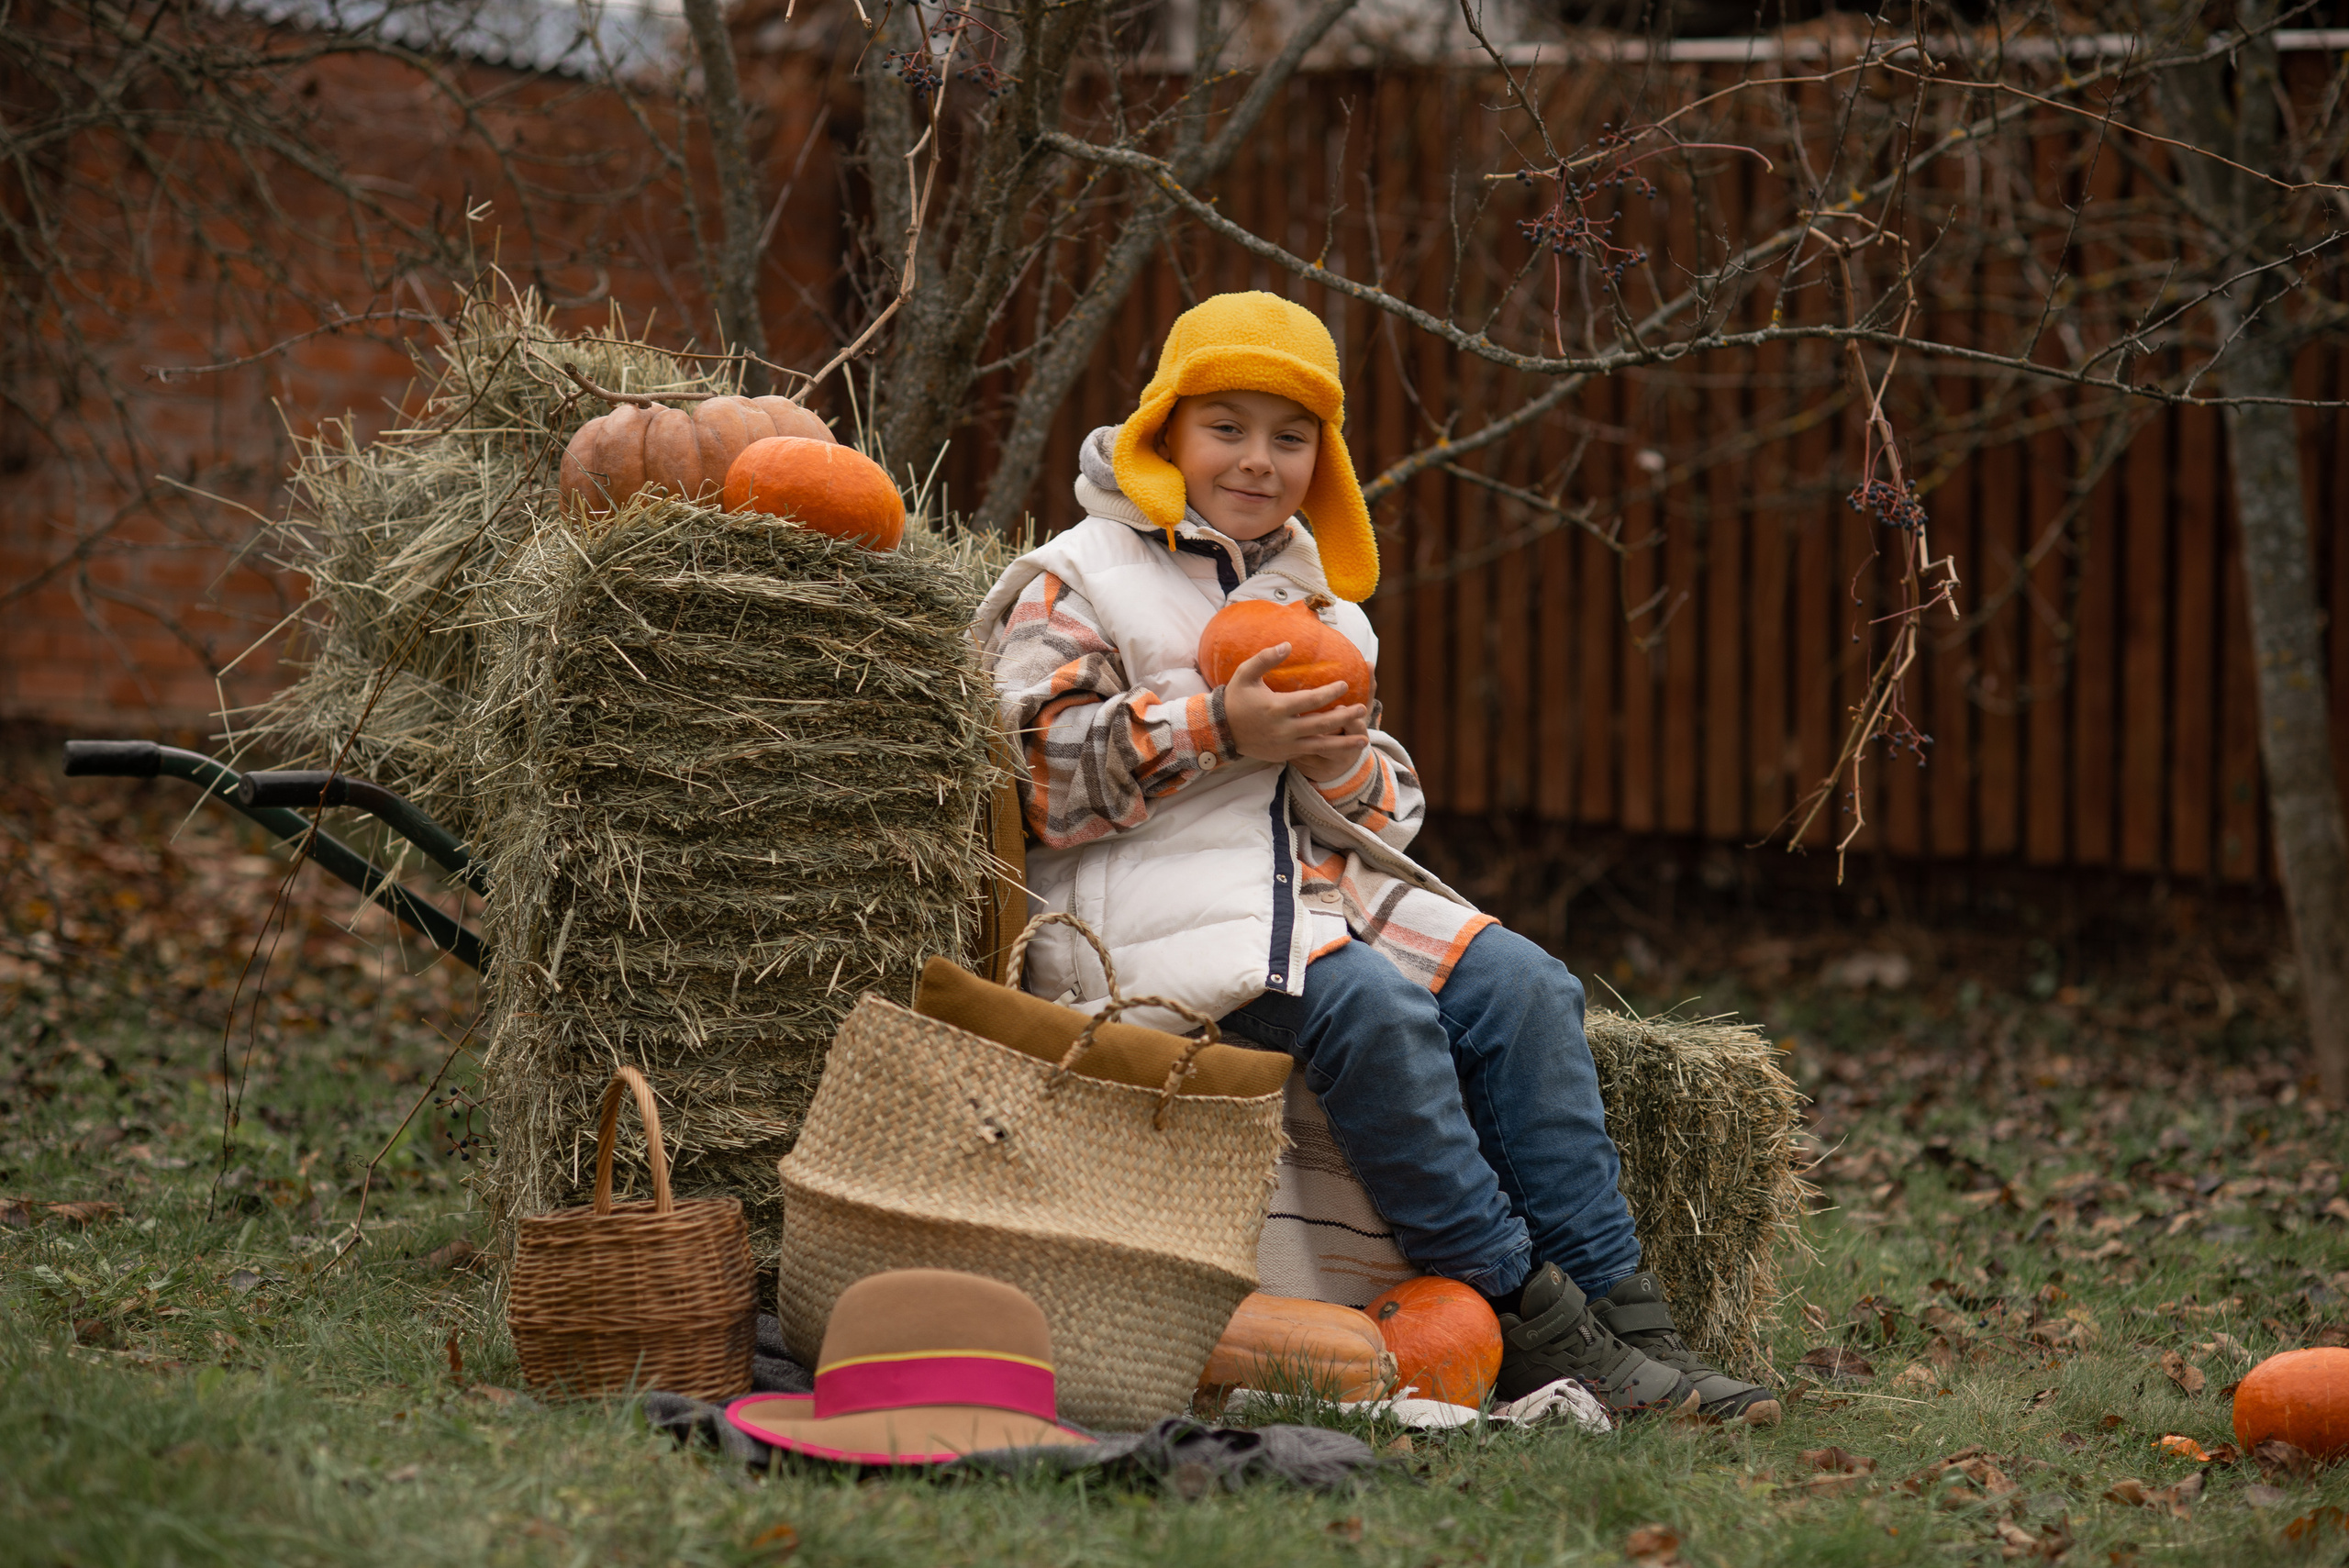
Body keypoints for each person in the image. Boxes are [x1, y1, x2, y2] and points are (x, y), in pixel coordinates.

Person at [971, 291, 1778, 1425]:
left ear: (1325, 457)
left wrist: (1342, 762)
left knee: (1525, 986)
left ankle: (1635, 1317)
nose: (1258, 460)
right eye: (1229, 426)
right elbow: (1039, 778)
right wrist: (1215, 727)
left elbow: (1386, 812)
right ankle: (1536, 1319)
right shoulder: (1080, 574)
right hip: (1142, 910)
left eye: (1289, 436)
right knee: (1374, 1015)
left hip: (1306, 892)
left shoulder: (1324, 607)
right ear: (1166, 430)